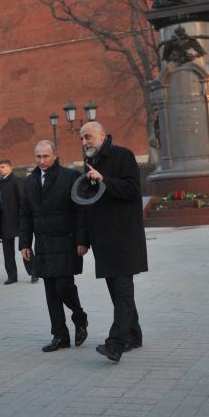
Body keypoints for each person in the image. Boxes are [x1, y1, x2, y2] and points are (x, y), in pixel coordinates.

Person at [78, 121, 148, 363]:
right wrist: (84, 240)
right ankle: (134, 335)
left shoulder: (123, 156)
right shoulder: (90, 165)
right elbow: (85, 205)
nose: (84, 142)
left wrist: (104, 179)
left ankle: (115, 344)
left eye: (88, 137)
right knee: (118, 293)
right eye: (82, 139)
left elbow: (132, 190)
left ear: (102, 136)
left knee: (122, 292)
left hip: (124, 238)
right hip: (103, 241)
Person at [20, 140, 88, 352]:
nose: (42, 161)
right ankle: (60, 335)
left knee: (63, 286)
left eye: (46, 156)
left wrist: (82, 240)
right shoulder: (30, 182)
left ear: (55, 155)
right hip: (42, 244)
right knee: (50, 291)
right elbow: (26, 215)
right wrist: (24, 243)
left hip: (66, 241)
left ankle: (79, 317)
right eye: (38, 157)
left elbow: (81, 211)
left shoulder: (70, 177)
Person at [0, 159, 29, 284]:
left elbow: (22, 201)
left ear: (10, 168)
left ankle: (34, 272)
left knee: (25, 246)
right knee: (7, 251)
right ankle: (12, 276)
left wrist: (23, 218)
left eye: (3, 167)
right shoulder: (0, 183)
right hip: (5, 221)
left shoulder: (16, 181)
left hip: (17, 220)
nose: (0, 169)